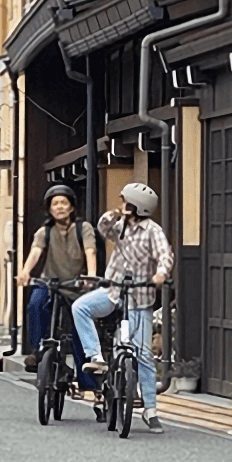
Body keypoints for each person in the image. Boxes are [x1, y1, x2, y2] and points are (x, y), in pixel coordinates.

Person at [72, 182, 173, 434]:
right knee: (80, 307)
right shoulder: (121, 226)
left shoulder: (153, 231)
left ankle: (150, 410)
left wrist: (161, 273)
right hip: (113, 291)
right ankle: (95, 356)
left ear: (136, 206)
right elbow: (103, 228)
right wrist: (115, 214)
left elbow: (165, 255)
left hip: (139, 297)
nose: (121, 204)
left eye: (125, 201)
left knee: (144, 354)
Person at [15, 185, 97, 373]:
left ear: (71, 207)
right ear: (49, 209)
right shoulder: (44, 231)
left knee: (79, 324)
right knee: (35, 303)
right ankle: (38, 349)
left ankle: (85, 376)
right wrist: (25, 271)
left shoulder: (83, 228)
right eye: (55, 204)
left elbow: (90, 251)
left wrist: (91, 276)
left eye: (64, 203)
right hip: (49, 283)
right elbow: (36, 251)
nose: (59, 207)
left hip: (75, 285)